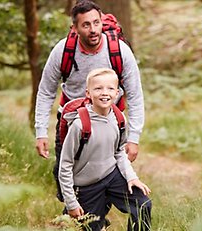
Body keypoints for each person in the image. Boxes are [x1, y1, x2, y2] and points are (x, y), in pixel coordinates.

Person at [34, 0, 144, 201]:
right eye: (86, 25)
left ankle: (96, 216)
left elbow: (136, 95)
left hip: (108, 121)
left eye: (96, 23)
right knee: (63, 176)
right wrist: (41, 132)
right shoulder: (63, 51)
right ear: (74, 28)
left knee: (107, 173)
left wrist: (133, 137)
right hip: (70, 122)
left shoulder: (119, 51)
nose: (93, 30)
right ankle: (80, 211)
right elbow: (45, 92)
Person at [59, 68, 151, 231]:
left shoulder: (119, 118)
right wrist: (71, 203)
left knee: (142, 205)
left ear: (117, 93)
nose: (105, 93)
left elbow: (119, 152)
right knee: (88, 226)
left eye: (110, 88)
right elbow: (65, 165)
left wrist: (131, 177)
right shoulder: (80, 125)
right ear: (88, 93)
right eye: (98, 88)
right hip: (86, 186)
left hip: (111, 176)